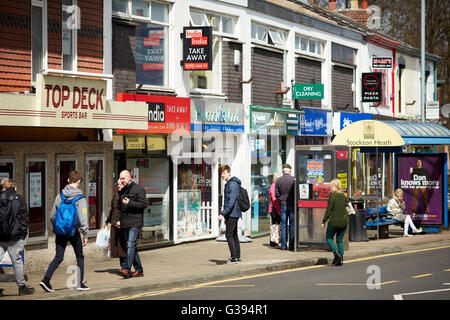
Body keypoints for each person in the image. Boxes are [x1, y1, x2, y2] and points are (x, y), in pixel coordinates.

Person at [40, 170, 90, 292]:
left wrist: (57, 227)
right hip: (73, 231)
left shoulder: (60, 195)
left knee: (58, 256)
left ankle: (46, 280)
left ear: (68, 180)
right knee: (79, 256)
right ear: (79, 182)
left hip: (61, 231)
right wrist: (85, 234)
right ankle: (79, 283)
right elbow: (83, 217)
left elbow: (53, 216)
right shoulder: (80, 199)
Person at [0, 179, 35, 296]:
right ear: (14, 188)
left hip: (1, 236)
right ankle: (22, 287)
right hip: (15, 236)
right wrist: (23, 234)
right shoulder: (19, 199)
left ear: (4, 188)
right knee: (17, 261)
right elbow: (24, 218)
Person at [116, 170, 147, 278]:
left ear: (129, 178)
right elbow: (120, 208)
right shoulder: (123, 191)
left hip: (135, 222)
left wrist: (130, 202)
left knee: (130, 245)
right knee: (132, 247)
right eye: (120, 178)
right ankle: (139, 270)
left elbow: (144, 204)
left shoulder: (138, 189)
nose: (121, 180)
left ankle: (127, 269)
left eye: (123, 178)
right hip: (125, 222)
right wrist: (118, 220)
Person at [321, 179, 348, 266]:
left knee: (329, 237)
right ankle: (341, 258)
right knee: (339, 240)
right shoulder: (344, 196)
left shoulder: (333, 196)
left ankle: (336, 254)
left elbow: (328, 210)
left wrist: (324, 221)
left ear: (333, 187)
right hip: (344, 222)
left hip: (334, 222)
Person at [218, 165, 242, 264]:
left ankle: (233, 257)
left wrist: (223, 214)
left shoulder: (232, 184)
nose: (222, 175)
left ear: (229, 173)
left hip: (232, 213)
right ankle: (237, 256)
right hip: (233, 213)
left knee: (229, 235)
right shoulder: (231, 183)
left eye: (224, 173)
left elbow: (231, 201)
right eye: (221, 173)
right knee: (234, 234)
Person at [104, 179, 127, 268]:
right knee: (117, 246)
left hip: (122, 223)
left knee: (122, 246)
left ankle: (125, 267)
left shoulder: (126, 195)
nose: (119, 186)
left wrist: (121, 221)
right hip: (114, 223)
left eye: (121, 184)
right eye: (118, 185)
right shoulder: (116, 195)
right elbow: (112, 209)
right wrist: (107, 221)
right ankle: (123, 266)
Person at [275, 164, 296, 251]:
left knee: (283, 226)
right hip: (292, 205)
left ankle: (283, 245)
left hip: (283, 205)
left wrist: (281, 202)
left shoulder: (278, 180)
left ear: (284, 171)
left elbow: (277, 194)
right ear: (290, 171)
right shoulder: (293, 180)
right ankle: (291, 245)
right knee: (292, 225)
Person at [268, 173, 282, 247]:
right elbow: (274, 199)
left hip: (274, 208)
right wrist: (279, 210)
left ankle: (274, 240)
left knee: (276, 225)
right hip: (274, 208)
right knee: (275, 225)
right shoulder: (274, 186)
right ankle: (273, 241)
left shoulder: (274, 185)